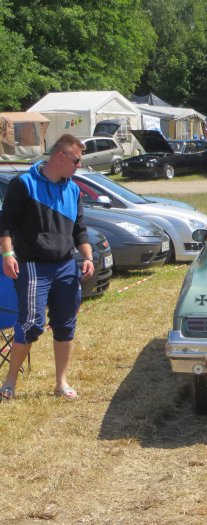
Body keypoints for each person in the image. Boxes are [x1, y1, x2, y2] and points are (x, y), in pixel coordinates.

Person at [0, 134, 94, 401]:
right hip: (32, 266)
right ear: (60, 156)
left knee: (66, 324)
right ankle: (10, 381)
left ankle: (61, 383)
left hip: (65, 265)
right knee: (31, 324)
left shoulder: (73, 189)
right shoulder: (24, 184)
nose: (79, 165)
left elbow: (80, 229)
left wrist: (86, 256)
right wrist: (8, 254)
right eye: (77, 160)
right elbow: (5, 222)